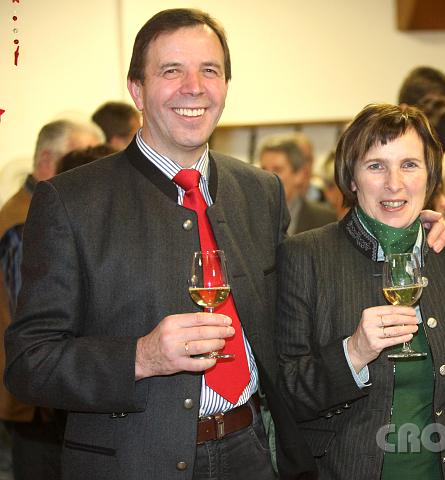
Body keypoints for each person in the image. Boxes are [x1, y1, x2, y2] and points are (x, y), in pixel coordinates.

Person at [4, 9, 318, 480]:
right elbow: (30, 362)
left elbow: (301, 306)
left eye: (209, 70)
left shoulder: (261, 191)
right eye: (172, 71)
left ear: (226, 86)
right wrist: (141, 356)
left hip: (251, 454)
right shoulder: (70, 202)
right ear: (137, 90)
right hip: (132, 463)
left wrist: (409, 227)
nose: (194, 86)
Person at [276, 103, 445, 479]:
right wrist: (353, 353)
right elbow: (285, 396)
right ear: (352, 179)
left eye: (409, 164)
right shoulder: (305, 256)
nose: (395, 183)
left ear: (429, 175)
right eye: (376, 166)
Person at [0, 119, 103, 480]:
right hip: (37, 405)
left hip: (52, 398)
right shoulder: (24, 220)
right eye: (81, 161)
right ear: (48, 159)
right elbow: (34, 321)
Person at [258, 134, 336, 234]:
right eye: (263, 169)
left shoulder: (325, 220)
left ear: (299, 174)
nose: (267, 176)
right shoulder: (249, 216)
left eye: (277, 170)